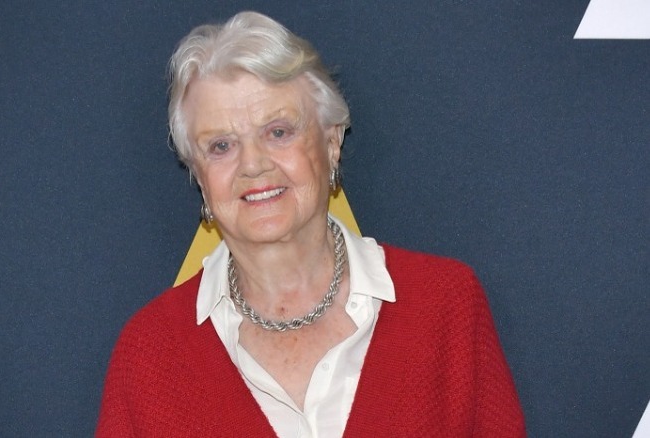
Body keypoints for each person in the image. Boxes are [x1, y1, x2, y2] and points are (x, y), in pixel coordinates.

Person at [96, 11, 525, 438]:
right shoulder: (149, 353)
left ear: (332, 142)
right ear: (199, 175)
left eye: (278, 132)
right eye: (222, 145)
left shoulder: (446, 304)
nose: (253, 165)